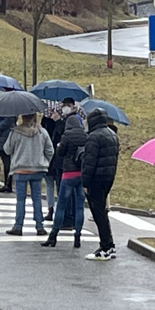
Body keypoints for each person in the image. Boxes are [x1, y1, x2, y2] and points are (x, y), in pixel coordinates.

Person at [3, 113, 53, 236]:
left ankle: (18, 226)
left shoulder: (15, 132)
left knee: (20, 199)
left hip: (20, 169)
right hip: (37, 169)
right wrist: (44, 162)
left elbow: (7, 149)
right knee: (36, 198)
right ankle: (39, 226)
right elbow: (50, 150)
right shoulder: (42, 132)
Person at [43, 113, 88, 249]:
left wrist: (59, 146)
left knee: (61, 205)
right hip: (81, 174)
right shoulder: (86, 136)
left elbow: (60, 153)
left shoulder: (66, 135)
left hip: (68, 174)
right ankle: (77, 237)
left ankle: (53, 236)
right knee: (79, 207)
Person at [81, 108, 120, 261]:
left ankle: (106, 246)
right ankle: (109, 245)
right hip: (108, 177)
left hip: (96, 179)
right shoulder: (112, 135)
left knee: (98, 214)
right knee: (102, 212)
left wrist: (85, 182)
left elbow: (89, 162)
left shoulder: (94, 137)